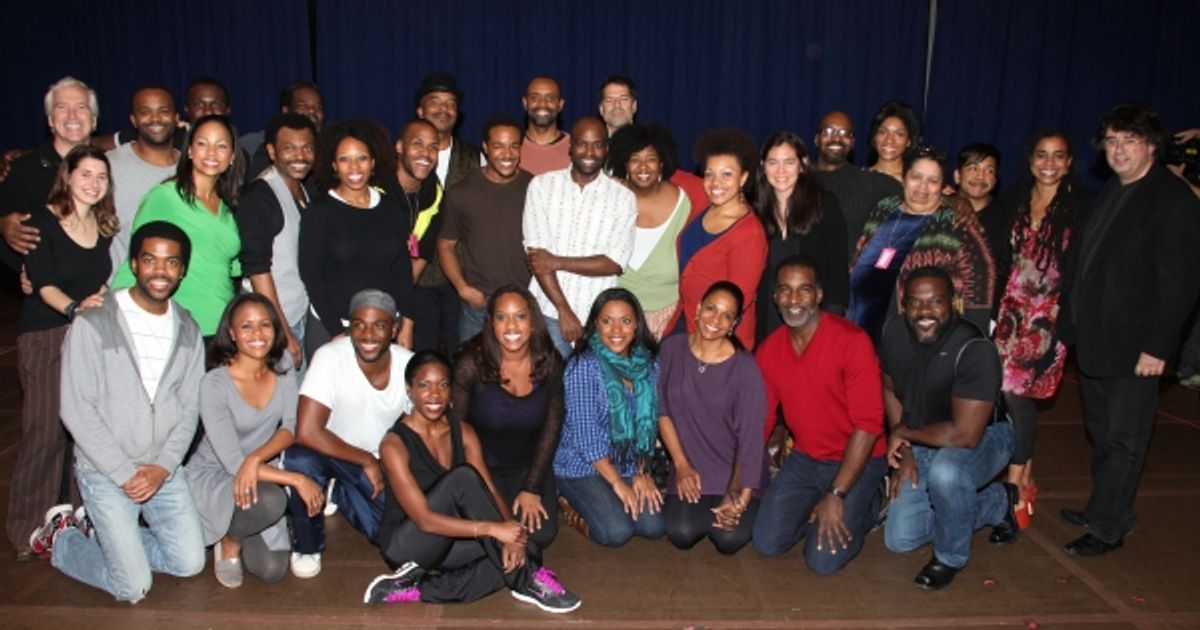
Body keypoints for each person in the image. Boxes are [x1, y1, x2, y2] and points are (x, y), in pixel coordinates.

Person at [1057, 104, 1200, 557]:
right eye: (1112, 141)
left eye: (1128, 141)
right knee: (1101, 431)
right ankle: (1109, 504)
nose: (1117, 150)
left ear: (1152, 146)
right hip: (1098, 340)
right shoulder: (1112, 191)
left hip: (1137, 348)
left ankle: (1108, 525)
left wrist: (1158, 347)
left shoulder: (1171, 198)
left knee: (1124, 437)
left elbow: (1179, 282)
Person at [36, 221, 206, 602]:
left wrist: (164, 465)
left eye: (171, 263)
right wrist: (123, 472)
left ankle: (110, 538)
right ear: (133, 263)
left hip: (163, 470)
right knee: (133, 586)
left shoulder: (188, 330)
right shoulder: (94, 321)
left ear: (182, 270)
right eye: (150, 260)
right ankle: (63, 538)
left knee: (190, 563)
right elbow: (76, 408)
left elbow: (190, 406)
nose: (160, 271)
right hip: (107, 472)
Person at [364, 351, 581, 612]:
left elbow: (489, 489)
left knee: (521, 548)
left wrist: (511, 535)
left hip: (450, 535)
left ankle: (412, 590)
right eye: (424, 385)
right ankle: (528, 582)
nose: (435, 394)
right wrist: (492, 529)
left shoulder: (463, 431)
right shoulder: (394, 444)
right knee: (464, 478)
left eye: (443, 385)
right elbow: (423, 519)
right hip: (409, 544)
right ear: (409, 390)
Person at [9, 146, 117, 561]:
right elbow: (43, 282)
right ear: (67, 177)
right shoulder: (42, 223)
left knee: (83, 433)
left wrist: (99, 300)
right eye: (85, 174)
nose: (93, 183)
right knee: (44, 431)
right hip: (47, 336)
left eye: (101, 176)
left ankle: (74, 518)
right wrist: (76, 309)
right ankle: (26, 527)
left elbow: (107, 279)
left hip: (87, 339)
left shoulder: (104, 227)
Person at [880, 268, 1018, 590]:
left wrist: (902, 433)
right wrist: (908, 450)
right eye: (915, 303)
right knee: (899, 539)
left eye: (935, 302)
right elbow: (888, 388)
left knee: (948, 473)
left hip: (985, 438)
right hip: (924, 437)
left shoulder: (974, 348)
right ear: (904, 304)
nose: (925, 312)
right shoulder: (893, 333)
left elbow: (965, 436)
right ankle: (997, 503)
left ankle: (949, 556)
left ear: (953, 302)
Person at [981, 130, 1090, 533]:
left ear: (1069, 162)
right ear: (1030, 160)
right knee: (1004, 398)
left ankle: (1015, 486)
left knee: (1018, 398)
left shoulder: (1083, 206)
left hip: (1048, 318)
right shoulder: (1014, 200)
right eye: (1042, 155)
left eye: (1058, 156)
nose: (1049, 163)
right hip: (1009, 313)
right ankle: (1024, 473)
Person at [752, 256, 888, 575]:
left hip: (859, 459)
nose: (794, 300)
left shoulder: (852, 342)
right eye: (785, 290)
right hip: (806, 459)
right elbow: (762, 422)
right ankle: (818, 506)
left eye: (804, 290)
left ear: (819, 295)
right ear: (775, 297)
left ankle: (871, 502)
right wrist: (738, 481)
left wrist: (837, 494)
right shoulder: (769, 350)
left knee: (822, 561)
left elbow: (868, 426)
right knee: (767, 543)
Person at [187, 294, 324, 587]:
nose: (258, 334)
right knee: (273, 498)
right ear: (232, 334)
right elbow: (233, 462)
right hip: (218, 473)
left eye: (265, 325)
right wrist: (297, 480)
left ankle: (246, 522)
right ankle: (229, 540)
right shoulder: (214, 384)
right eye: (246, 326)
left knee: (272, 570)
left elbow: (289, 428)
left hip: (258, 465)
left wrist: (255, 458)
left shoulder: (283, 364)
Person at [282, 289, 414, 579]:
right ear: (349, 327)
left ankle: (340, 492)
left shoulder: (408, 364)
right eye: (359, 325)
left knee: (394, 541)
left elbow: (419, 427)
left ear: (394, 328)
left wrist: (390, 463)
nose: (368, 335)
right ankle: (307, 545)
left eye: (379, 325)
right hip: (329, 453)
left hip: (378, 463)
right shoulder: (330, 357)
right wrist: (366, 459)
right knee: (299, 460)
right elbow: (306, 431)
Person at [110, 114, 246, 338]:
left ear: (232, 156)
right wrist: (110, 308)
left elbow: (230, 271)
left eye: (221, 146)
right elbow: (136, 259)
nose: (211, 153)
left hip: (220, 327)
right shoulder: (165, 197)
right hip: (176, 327)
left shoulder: (229, 209)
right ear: (190, 150)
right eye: (202, 144)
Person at [451, 286, 564, 551]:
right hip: (480, 468)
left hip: (527, 466)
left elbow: (552, 427)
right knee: (487, 536)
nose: (511, 326)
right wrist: (470, 486)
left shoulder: (550, 363)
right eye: (502, 317)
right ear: (491, 323)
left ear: (533, 322)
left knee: (540, 535)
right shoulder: (471, 365)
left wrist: (532, 487)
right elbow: (455, 431)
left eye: (520, 316)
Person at [658, 281, 767, 554]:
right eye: (711, 309)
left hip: (736, 469)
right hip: (689, 467)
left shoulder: (744, 368)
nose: (715, 320)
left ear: (734, 324)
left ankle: (757, 502)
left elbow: (751, 439)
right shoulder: (671, 349)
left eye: (726, 315)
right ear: (697, 309)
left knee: (728, 541)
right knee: (681, 533)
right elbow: (661, 411)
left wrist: (741, 499)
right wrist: (681, 465)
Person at [848, 145, 995, 343]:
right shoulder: (884, 209)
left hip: (922, 342)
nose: (922, 187)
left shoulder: (958, 224)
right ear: (904, 178)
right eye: (916, 177)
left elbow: (980, 290)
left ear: (943, 186)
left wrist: (970, 346)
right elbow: (859, 258)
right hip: (862, 328)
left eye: (933, 181)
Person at [553, 288, 665, 546]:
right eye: (607, 321)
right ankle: (569, 504)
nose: (616, 330)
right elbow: (586, 438)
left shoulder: (650, 366)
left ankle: (608, 498)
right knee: (616, 533)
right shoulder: (583, 366)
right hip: (581, 464)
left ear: (637, 324)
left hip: (626, 461)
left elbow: (645, 428)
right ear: (595, 324)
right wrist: (617, 484)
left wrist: (641, 472)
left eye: (625, 321)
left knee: (653, 526)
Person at [523, 116, 638, 357]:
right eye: (582, 143)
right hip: (548, 313)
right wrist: (563, 310)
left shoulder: (623, 198)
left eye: (597, 144)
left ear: (606, 149)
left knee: (593, 392)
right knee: (549, 390)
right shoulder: (541, 187)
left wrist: (557, 261)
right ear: (570, 146)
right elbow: (538, 260)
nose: (589, 151)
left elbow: (614, 263)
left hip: (600, 319)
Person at [299, 119, 414, 354]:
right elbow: (311, 275)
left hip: (383, 328)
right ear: (333, 165)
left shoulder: (391, 208)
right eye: (344, 159)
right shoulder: (320, 210)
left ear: (373, 162)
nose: (354, 167)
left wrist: (407, 323)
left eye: (361, 158)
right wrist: (336, 332)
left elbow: (403, 270)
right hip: (332, 328)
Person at [668, 128, 767, 350]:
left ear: (744, 177)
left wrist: (706, 348)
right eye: (709, 174)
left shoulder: (749, 234)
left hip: (719, 340)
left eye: (726, 174)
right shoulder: (705, 205)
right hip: (686, 323)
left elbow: (736, 303)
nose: (715, 183)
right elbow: (672, 174)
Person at [438, 115, 534, 342]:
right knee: (471, 374)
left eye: (514, 146)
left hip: (524, 303)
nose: (507, 154)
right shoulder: (461, 192)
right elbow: (445, 244)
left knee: (525, 373)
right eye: (498, 146)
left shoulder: (535, 188)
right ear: (485, 148)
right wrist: (462, 288)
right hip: (478, 307)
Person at [236, 113, 318, 370]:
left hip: (300, 314)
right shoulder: (260, 197)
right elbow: (258, 269)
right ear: (272, 151)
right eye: (289, 148)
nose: (300, 156)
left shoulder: (304, 190)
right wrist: (282, 332)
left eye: (307, 148)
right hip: (275, 324)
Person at [753, 131, 848, 342]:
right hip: (767, 319)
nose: (780, 171)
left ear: (802, 164)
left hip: (815, 319)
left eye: (789, 162)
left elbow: (838, 270)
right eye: (773, 162)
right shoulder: (753, 210)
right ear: (763, 165)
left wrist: (831, 322)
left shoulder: (825, 204)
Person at [1, 77, 99, 276]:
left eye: (81, 107)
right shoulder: (19, 171)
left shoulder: (109, 169)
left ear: (94, 120)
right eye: (62, 107)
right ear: (50, 120)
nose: (72, 115)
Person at [609, 123, 692, 338]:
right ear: (625, 164)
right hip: (615, 317)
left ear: (662, 163)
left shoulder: (685, 204)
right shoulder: (610, 199)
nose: (643, 167)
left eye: (651, 159)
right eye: (635, 159)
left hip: (669, 320)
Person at [389, 119, 456, 354]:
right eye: (417, 144)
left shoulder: (434, 194)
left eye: (433, 147)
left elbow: (420, 257)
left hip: (399, 294)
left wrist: (403, 314)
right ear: (399, 147)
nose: (426, 153)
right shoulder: (375, 188)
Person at [106, 84, 181, 275]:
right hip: (121, 291)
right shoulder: (108, 166)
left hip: (183, 293)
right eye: (145, 112)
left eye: (163, 111)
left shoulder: (193, 168)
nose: (155, 118)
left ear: (177, 118)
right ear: (134, 120)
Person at [809, 111, 902, 255]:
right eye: (828, 131)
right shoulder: (800, 180)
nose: (836, 138)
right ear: (816, 139)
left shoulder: (869, 183)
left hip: (847, 275)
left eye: (844, 133)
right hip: (802, 274)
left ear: (852, 142)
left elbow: (913, 195)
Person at [242, 80, 325, 179]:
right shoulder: (267, 148)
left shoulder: (330, 146)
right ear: (286, 110)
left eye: (318, 107)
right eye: (303, 106)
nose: (312, 111)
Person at [414, 73, 481, 189]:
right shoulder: (403, 157)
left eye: (451, 103)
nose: (444, 108)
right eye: (435, 102)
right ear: (420, 111)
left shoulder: (475, 158)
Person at [521, 76, 571, 175]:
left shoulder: (575, 148)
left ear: (560, 104)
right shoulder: (511, 147)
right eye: (535, 98)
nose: (542, 104)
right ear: (525, 103)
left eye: (550, 98)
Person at [867, 101, 920, 183]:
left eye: (899, 134)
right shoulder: (858, 178)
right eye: (883, 132)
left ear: (908, 141)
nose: (889, 140)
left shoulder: (915, 184)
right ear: (875, 136)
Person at [952, 143, 1000, 213]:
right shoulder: (938, 207)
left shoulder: (1006, 214)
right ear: (957, 176)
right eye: (973, 168)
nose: (981, 176)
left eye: (989, 171)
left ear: (995, 180)